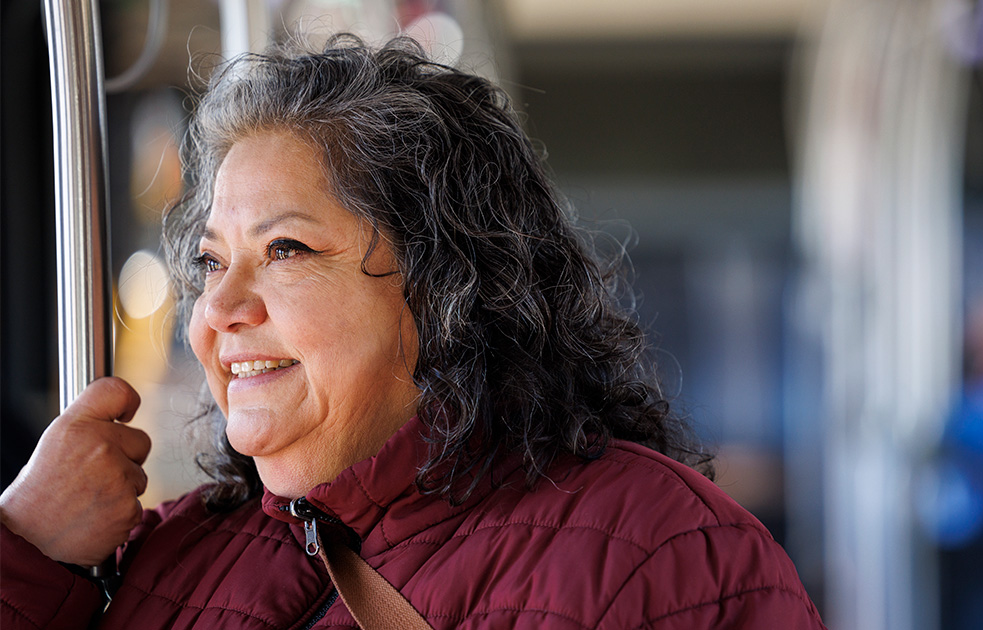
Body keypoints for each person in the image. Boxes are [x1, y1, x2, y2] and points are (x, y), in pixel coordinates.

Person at [0, 35, 825, 629]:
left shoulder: (657, 555)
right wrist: (27, 553)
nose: (217, 311)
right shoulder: (172, 556)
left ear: (444, 284)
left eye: (286, 250)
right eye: (212, 262)